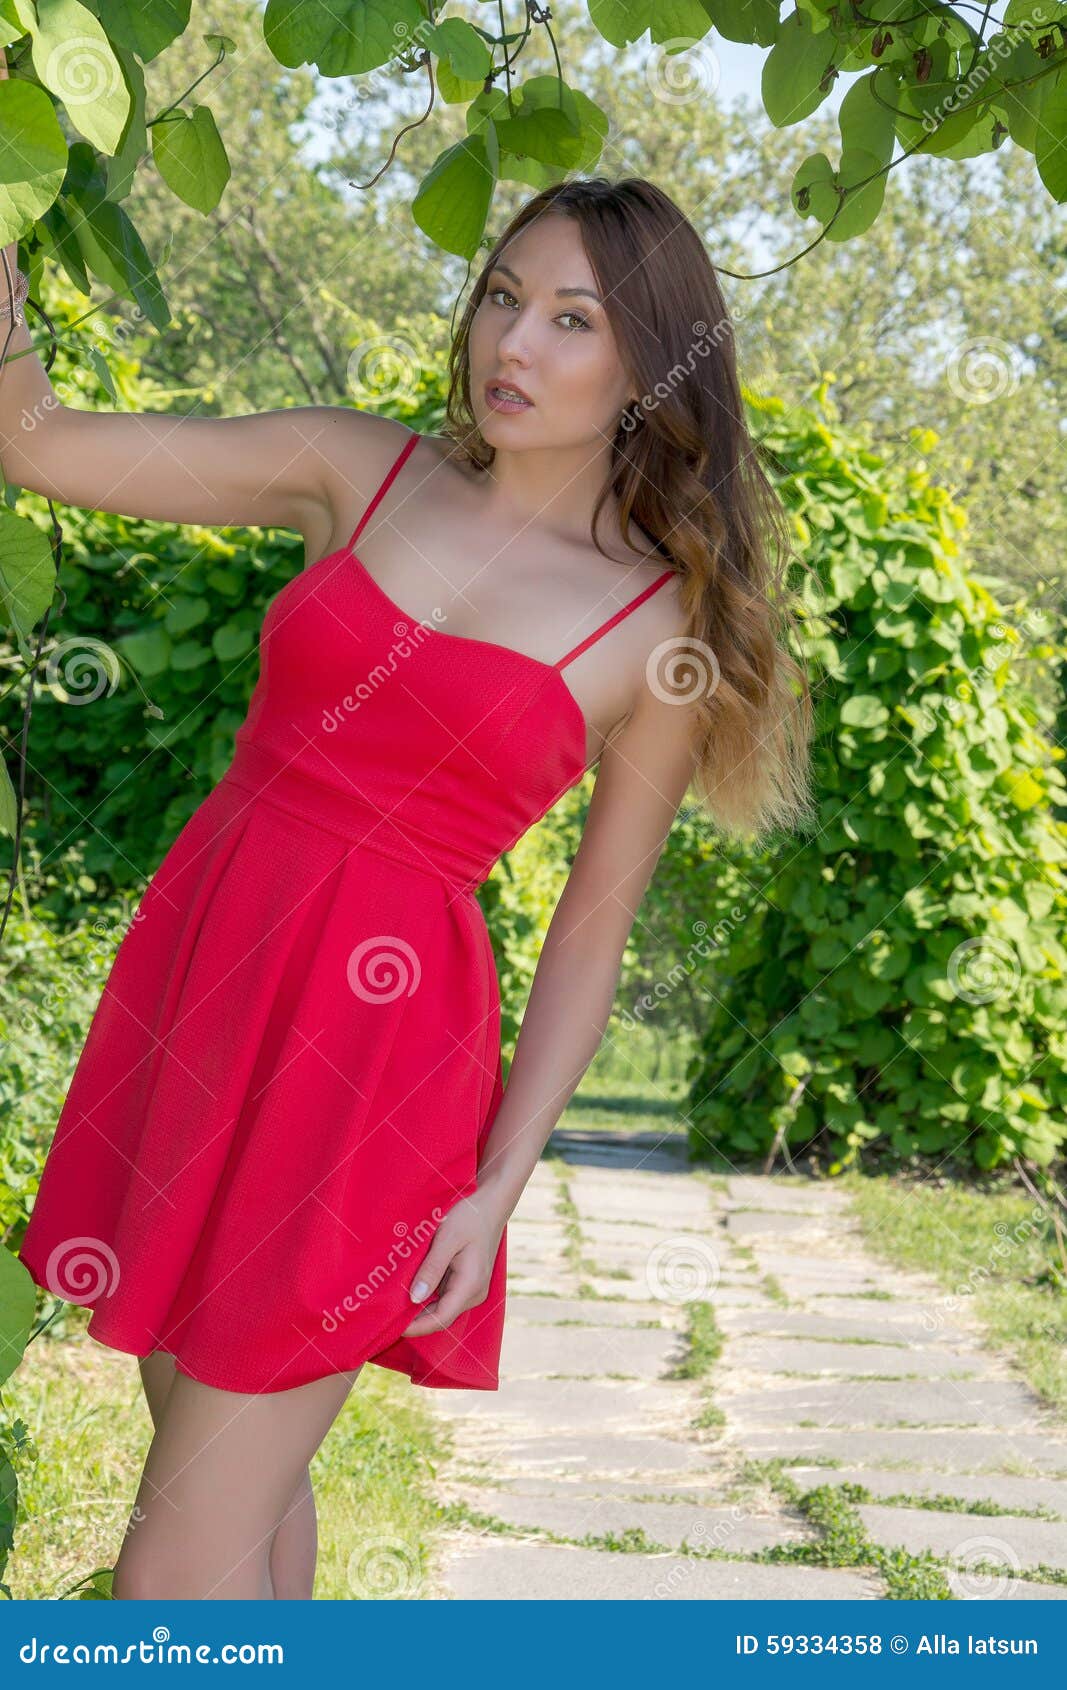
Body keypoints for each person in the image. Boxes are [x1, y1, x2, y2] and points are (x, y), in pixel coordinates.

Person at [0, 170, 812, 1599]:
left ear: (649, 364)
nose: (516, 343)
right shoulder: (352, 466)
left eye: (574, 319)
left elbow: (594, 922)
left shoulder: (655, 621)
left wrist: (501, 1181)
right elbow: (35, 440)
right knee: (233, 1493)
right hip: (205, 978)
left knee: (176, 1561)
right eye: (504, 297)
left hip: (375, 1057)